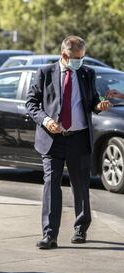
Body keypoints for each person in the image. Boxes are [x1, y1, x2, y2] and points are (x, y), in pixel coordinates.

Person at [26, 35, 112, 249]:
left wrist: (99, 106)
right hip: (52, 139)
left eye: (82, 57)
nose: (80, 61)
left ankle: (80, 228)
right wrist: (46, 121)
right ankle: (49, 234)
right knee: (51, 185)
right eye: (76, 57)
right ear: (64, 55)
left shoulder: (87, 73)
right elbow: (31, 103)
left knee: (80, 185)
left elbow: (92, 100)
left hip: (79, 137)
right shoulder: (45, 73)